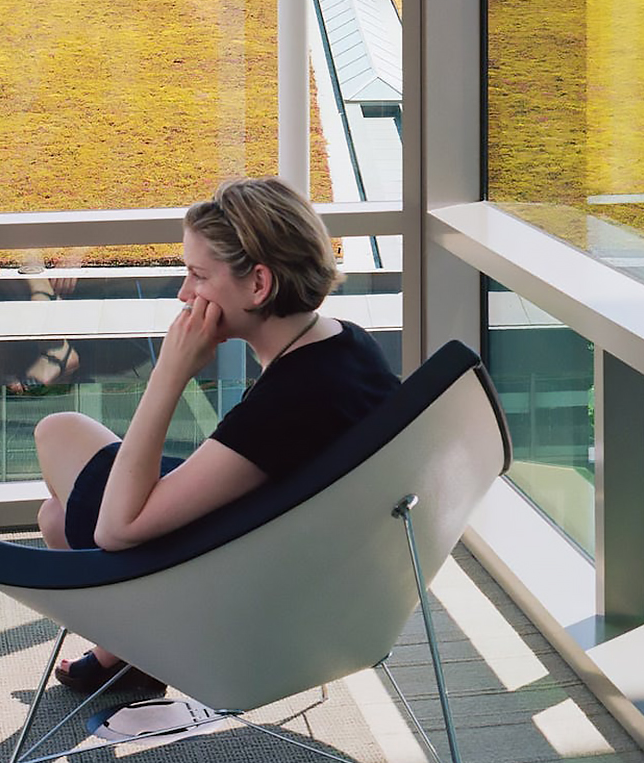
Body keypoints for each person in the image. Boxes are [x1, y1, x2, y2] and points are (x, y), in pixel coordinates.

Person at [32, 177, 401, 700]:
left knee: (57, 433)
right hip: (302, 557)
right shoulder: (346, 346)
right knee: (55, 515)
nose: (185, 295)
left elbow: (117, 529)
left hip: (242, 587)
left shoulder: (289, 403)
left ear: (258, 285)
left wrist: (170, 372)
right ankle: (123, 655)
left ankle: (136, 648)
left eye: (198, 275)